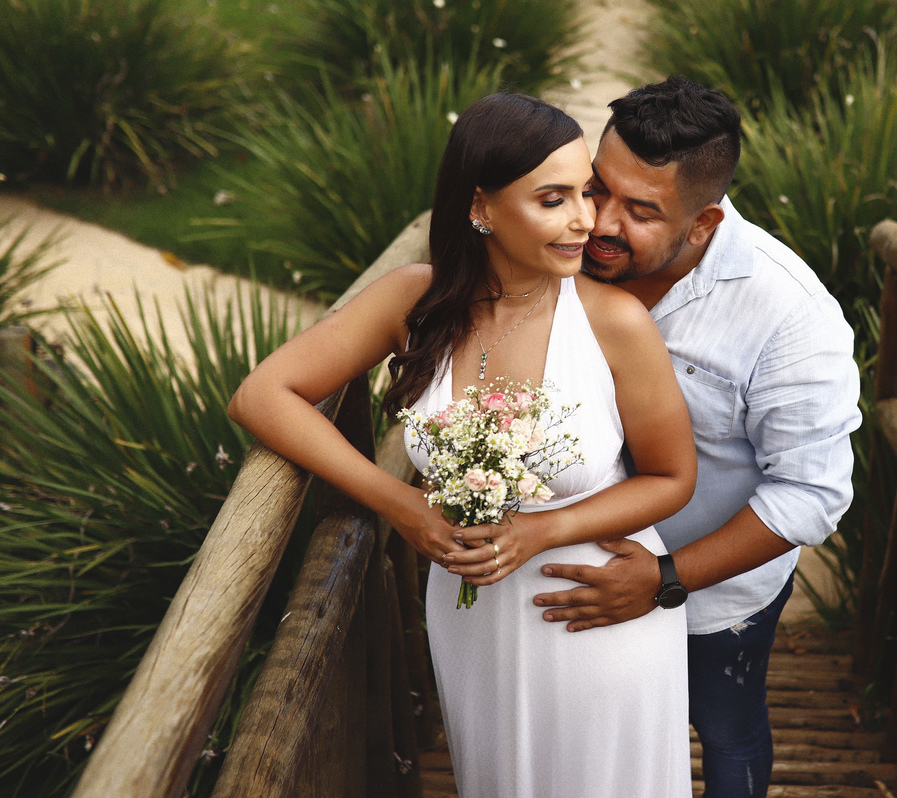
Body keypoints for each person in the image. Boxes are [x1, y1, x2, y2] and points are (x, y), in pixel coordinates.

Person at [227, 93, 697, 798]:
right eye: (553, 199)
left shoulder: (615, 323)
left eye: (587, 194)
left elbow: (671, 478)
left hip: (592, 610)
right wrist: (399, 504)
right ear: (481, 206)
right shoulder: (413, 302)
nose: (586, 221)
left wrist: (542, 530)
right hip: (469, 616)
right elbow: (262, 395)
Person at [532, 76, 862, 798]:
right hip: (564, 577)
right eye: (598, 189)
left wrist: (665, 578)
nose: (601, 223)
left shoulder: (789, 318)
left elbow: (810, 496)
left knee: (726, 730)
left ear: (705, 222)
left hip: (709, 595)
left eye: (641, 211)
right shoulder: (557, 251)